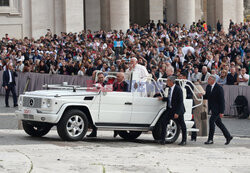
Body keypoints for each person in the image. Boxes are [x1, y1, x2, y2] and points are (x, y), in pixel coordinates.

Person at [202, 75, 233, 145]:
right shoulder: (208, 87)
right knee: (219, 123)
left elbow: (222, 101)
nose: (208, 80)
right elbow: (207, 96)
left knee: (211, 121)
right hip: (212, 108)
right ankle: (228, 136)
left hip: (217, 109)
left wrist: (222, 111)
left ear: (213, 80)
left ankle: (210, 139)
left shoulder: (219, 88)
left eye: (209, 79)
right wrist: (202, 96)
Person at [158, 76, 187, 146]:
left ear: (171, 82)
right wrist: (163, 98)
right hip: (170, 109)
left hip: (178, 110)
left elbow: (180, 102)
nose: (166, 82)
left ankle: (184, 140)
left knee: (182, 124)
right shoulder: (170, 89)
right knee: (163, 122)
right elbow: (170, 99)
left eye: (168, 81)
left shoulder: (178, 89)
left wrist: (177, 113)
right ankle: (163, 139)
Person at [87, 72, 106, 138]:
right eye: (99, 77)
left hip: (104, 103)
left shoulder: (107, 84)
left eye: (102, 77)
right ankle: (94, 132)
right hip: (96, 102)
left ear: (104, 78)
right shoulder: (95, 84)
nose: (101, 79)